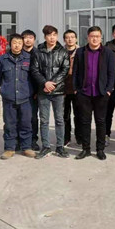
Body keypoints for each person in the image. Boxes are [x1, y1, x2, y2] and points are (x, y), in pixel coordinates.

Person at [73, 26, 115, 160]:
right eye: (92, 36)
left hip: (101, 94)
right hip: (84, 93)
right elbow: (75, 72)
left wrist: (108, 90)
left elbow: (111, 73)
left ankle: (100, 149)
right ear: (88, 37)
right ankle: (86, 149)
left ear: (101, 37)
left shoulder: (108, 52)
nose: (95, 39)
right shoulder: (80, 52)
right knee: (85, 122)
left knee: (101, 122)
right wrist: (76, 89)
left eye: (97, 36)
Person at [30, 25, 70, 159]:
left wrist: (52, 83)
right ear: (45, 36)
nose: (52, 38)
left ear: (57, 36)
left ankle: (60, 147)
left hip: (58, 91)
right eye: (49, 35)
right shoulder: (38, 51)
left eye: (54, 35)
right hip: (43, 91)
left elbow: (65, 70)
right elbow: (34, 70)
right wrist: (44, 83)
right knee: (44, 120)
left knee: (59, 120)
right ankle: (46, 147)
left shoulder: (63, 51)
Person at [0, 34, 35, 159]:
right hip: (9, 97)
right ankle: (9, 148)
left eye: (19, 43)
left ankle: (26, 147)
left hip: (25, 97)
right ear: (10, 44)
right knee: (9, 124)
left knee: (26, 123)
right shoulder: (2, 59)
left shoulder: (29, 58)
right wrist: (7, 88)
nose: (17, 45)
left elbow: (33, 77)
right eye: (14, 43)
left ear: (22, 44)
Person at [21, 29, 40, 151]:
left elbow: (42, 73)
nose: (28, 40)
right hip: (19, 91)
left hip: (34, 93)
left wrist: (38, 91)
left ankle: (33, 140)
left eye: (30, 37)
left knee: (33, 117)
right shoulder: (17, 53)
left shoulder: (38, 54)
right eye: (25, 37)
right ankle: (19, 140)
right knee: (19, 117)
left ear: (34, 40)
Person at [63, 29, 81, 147]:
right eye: (67, 37)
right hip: (63, 89)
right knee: (65, 115)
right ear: (64, 39)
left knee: (78, 114)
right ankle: (66, 137)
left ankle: (79, 137)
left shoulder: (81, 52)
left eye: (72, 37)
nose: (70, 39)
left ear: (76, 39)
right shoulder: (60, 52)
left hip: (77, 88)